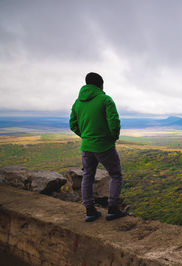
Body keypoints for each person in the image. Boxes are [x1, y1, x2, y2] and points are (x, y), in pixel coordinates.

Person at [69, 72, 127, 222]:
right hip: (104, 146)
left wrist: (85, 136)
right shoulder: (105, 99)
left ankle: (89, 211)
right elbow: (114, 122)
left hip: (86, 146)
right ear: (100, 85)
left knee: (87, 176)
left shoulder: (77, 102)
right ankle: (113, 209)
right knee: (116, 175)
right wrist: (111, 138)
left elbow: (72, 124)